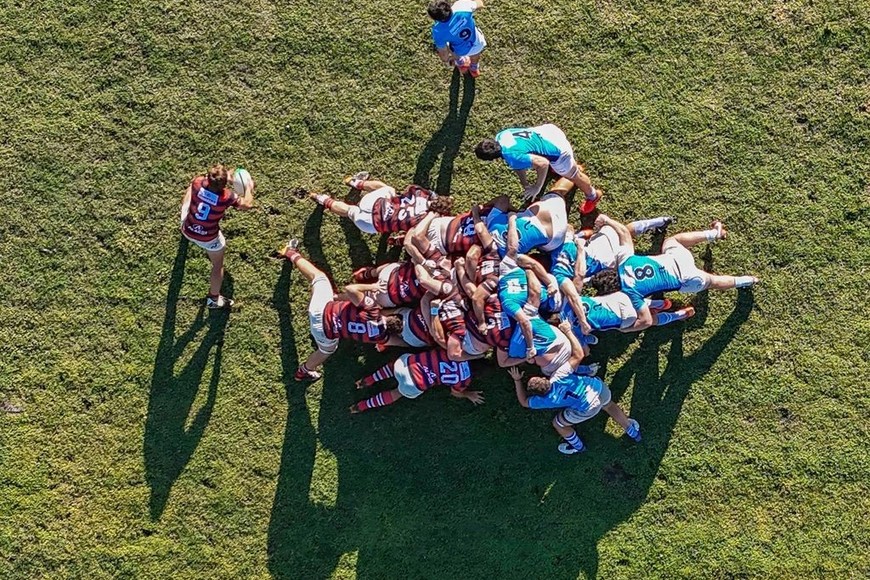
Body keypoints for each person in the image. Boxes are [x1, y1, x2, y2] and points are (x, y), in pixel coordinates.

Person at [589, 215, 758, 332]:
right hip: (676, 258)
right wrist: (607, 220)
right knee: (673, 240)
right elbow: (624, 232)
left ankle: (746, 280)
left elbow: (646, 320)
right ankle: (713, 234)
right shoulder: (625, 260)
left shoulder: (630, 294)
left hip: (687, 279)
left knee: (713, 282)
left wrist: (627, 328)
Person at [279, 239, 401, 381]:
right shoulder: (379, 337)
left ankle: (290, 252)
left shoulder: (373, 310)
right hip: (324, 333)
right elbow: (391, 342)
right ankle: (304, 371)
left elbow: (350, 289)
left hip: (322, 309)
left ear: (390, 315)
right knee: (326, 350)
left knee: (319, 278)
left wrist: (372, 287)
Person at [508, 367, 641, 455]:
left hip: (588, 407)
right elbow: (576, 357)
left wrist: (517, 380)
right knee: (609, 405)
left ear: (537, 395)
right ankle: (632, 431)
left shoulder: (546, 400)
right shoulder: (559, 374)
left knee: (558, 424)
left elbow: (524, 402)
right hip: (598, 388)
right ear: (544, 378)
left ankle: (577, 446)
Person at [474, 125, 601, 211]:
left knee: (574, 176)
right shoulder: (501, 136)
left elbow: (543, 163)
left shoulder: (512, 156)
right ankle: (560, 167)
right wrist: (525, 184)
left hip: (560, 152)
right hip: (549, 132)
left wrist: (537, 187)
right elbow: (518, 164)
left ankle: (593, 195)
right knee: (543, 161)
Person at [180, 164, 254, 308]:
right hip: (208, 238)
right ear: (224, 185)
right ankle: (213, 299)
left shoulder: (197, 182)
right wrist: (249, 188)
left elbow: (200, 183)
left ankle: (187, 225)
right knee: (217, 265)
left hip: (187, 229)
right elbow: (247, 205)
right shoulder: (227, 197)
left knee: (189, 193)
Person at [309, 174, 453, 235]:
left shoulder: (419, 193)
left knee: (389, 190)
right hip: (370, 224)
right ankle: (322, 199)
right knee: (349, 211)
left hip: (373, 204)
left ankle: (356, 182)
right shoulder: (424, 221)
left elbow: (407, 190)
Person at [351, 349, 484, 412]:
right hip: (415, 384)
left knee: (394, 367)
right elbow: (455, 393)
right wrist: (468, 394)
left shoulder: (455, 352)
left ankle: (368, 380)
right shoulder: (465, 380)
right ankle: (362, 406)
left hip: (408, 365)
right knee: (397, 392)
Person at [485, 186, 570, 256]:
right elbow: (503, 200)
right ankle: (571, 173)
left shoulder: (505, 258)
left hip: (553, 242)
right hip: (549, 227)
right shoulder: (492, 223)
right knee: (557, 191)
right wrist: (484, 206)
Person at [428, 0, 487, 78]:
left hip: (460, 51)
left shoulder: (438, 31)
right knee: (475, 54)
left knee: (448, 44)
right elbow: (480, 4)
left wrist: (447, 60)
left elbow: (444, 54)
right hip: (477, 42)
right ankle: (474, 69)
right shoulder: (461, 6)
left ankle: (461, 64)